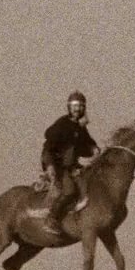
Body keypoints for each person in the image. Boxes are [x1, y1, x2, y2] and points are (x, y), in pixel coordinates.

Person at [40, 91, 98, 223]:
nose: (78, 109)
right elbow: (48, 148)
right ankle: (52, 218)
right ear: (69, 107)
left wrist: (94, 148)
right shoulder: (62, 124)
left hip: (72, 166)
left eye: (81, 106)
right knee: (69, 190)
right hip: (59, 166)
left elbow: (87, 143)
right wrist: (50, 166)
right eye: (75, 106)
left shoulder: (79, 127)